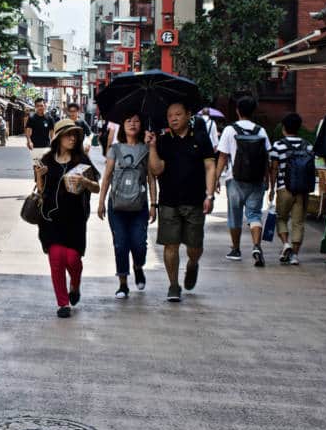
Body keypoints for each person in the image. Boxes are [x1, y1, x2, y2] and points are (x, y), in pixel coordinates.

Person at [147, 102, 218, 302]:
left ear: (188, 115)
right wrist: (152, 147)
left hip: (195, 201)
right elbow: (156, 170)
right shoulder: (163, 141)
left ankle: (193, 264)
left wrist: (209, 195)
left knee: (195, 246)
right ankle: (173, 285)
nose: (174, 118)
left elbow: (210, 167)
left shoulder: (200, 138)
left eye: (178, 114)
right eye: (170, 115)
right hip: (169, 201)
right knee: (171, 245)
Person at [34, 118, 100, 318]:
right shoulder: (46, 159)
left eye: (75, 135)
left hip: (75, 219)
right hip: (51, 218)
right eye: (68, 135)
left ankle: (75, 283)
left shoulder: (82, 160)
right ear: (59, 138)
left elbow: (96, 187)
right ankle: (63, 303)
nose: (72, 138)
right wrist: (40, 176)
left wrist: (85, 181)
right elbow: (41, 190)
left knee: (72, 259)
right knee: (56, 259)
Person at [97, 112, 157, 298]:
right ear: (122, 125)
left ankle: (138, 266)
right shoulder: (115, 149)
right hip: (117, 204)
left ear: (141, 125)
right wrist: (101, 202)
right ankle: (123, 283)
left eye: (137, 120)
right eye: (128, 120)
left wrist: (154, 203)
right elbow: (107, 176)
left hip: (139, 205)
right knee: (120, 244)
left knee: (139, 243)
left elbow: (151, 178)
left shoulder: (146, 149)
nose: (132, 124)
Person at [216, 95, 272, 267]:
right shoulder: (261, 131)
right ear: (253, 111)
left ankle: (236, 249)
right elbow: (267, 157)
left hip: (235, 179)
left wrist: (216, 178)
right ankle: (256, 246)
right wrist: (268, 180)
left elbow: (223, 157)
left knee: (235, 215)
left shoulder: (229, 130)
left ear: (238, 110)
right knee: (254, 214)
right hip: (256, 180)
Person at [269, 113, 315, 265]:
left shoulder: (278, 146)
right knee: (298, 222)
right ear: (299, 128)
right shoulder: (308, 146)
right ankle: (295, 256)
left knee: (280, 218)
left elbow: (274, 169)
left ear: (284, 128)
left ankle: (285, 244)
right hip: (302, 190)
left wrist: (271, 188)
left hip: (284, 189)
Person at [25, 97, 55, 166]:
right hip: (35, 147)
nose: (40, 107)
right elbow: (28, 132)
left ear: (45, 106)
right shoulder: (31, 118)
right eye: (38, 106)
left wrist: (54, 145)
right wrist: (29, 141)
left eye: (41, 105)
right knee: (37, 167)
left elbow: (52, 134)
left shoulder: (49, 118)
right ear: (35, 107)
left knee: (45, 167)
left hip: (46, 147)